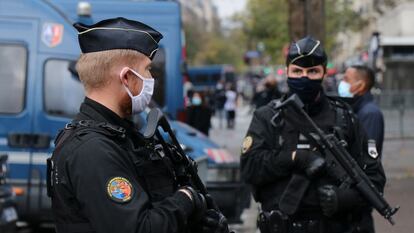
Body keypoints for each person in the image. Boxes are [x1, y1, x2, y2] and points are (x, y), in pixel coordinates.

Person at [47, 17, 228, 233]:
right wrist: (186, 199)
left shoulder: (121, 136)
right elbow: (140, 228)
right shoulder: (93, 150)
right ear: (126, 78)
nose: (151, 78)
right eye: (148, 69)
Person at [240, 36, 385, 233]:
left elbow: (374, 179)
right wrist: (293, 158)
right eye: (297, 71)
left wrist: (345, 199)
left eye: (313, 71)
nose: (304, 77)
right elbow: (249, 168)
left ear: (324, 73)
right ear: (288, 72)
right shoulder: (268, 117)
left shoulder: (345, 118)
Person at [338, 65, 384, 157]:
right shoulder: (355, 108)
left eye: (346, 80)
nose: (342, 83)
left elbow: (367, 153)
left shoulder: (370, 113)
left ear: (361, 85)